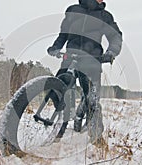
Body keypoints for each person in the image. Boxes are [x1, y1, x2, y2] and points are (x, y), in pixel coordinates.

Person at [47, 0, 122, 145]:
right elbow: (63, 34)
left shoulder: (104, 16)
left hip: (92, 59)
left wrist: (111, 51)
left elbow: (115, 37)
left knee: (92, 99)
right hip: (71, 57)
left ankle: (96, 138)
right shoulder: (73, 10)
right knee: (56, 89)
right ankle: (61, 120)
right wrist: (55, 47)